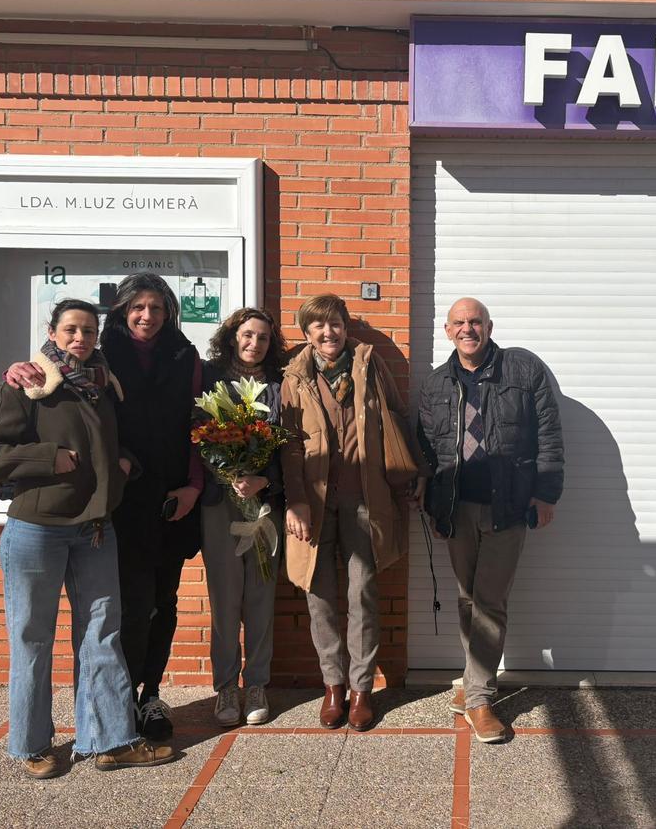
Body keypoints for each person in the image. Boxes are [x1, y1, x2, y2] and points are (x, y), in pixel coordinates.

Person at [0, 299, 176, 778]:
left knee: (103, 634)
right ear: (53, 332)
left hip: (96, 529)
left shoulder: (102, 385)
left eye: (88, 332)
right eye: (71, 330)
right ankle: (32, 745)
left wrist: (125, 464)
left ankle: (110, 740)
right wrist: (48, 459)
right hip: (37, 532)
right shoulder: (30, 384)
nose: (80, 339)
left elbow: (106, 445)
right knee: (33, 638)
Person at [5, 273, 202, 741]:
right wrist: (19, 371)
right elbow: (48, 376)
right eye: (138, 307)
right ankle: (120, 706)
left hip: (172, 498)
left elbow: (200, 421)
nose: (147, 316)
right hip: (115, 504)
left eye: (156, 307)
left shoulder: (184, 354)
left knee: (163, 603)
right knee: (127, 610)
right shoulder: (100, 355)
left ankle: (150, 695)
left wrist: (194, 484)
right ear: (122, 311)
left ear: (168, 310)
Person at [416, 297, 564, 744]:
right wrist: (430, 500)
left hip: (507, 506)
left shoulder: (523, 370)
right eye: (459, 323)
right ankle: (472, 683)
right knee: (466, 599)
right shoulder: (437, 383)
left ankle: (479, 698)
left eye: (475, 321)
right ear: (447, 330)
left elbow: (548, 433)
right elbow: (426, 447)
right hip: (456, 508)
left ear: (489, 326)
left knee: (490, 601)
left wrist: (545, 493)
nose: (468, 329)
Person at [280, 294, 422, 731]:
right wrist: (295, 500)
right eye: (319, 327)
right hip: (314, 503)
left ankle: (362, 690)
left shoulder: (369, 364)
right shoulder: (294, 375)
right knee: (319, 596)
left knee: (362, 596)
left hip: (365, 501)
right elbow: (285, 442)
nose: (329, 333)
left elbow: (396, 418)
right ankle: (333, 688)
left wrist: (404, 479)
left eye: (335, 324)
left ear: (345, 327)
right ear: (306, 334)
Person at [199, 307, 285, 727]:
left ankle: (257, 683)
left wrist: (263, 480)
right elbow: (194, 439)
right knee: (225, 599)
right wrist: (228, 473)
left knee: (261, 596)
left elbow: (291, 446)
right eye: (247, 335)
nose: (254, 343)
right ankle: (226, 686)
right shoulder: (208, 380)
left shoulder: (279, 387)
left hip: (265, 505)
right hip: (220, 505)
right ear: (232, 336)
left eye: (263, 338)